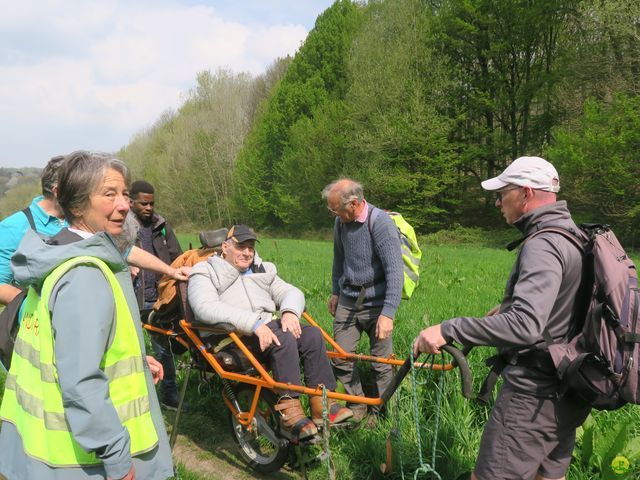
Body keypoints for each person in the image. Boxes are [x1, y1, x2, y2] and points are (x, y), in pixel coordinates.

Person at [413, 156, 591, 480]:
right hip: (569, 392)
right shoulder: (574, 236)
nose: (497, 201)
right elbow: (562, 309)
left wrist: (449, 329)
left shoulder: (543, 243)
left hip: (532, 396)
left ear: (525, 193)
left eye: (502, 193)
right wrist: (508, 309)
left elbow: (526, 325)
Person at [0, 150, 174, 480]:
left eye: (124, 194)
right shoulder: (84, 272)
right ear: (77, 206)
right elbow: (80, 382)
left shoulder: (55, 253)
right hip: (86, 464)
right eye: (109, 194)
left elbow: (65, 350)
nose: (124, 205)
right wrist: (117, 458)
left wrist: (135, 363)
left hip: (42, 455)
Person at [188, 225, 353, 440]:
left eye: (250, 247)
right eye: (240, 247)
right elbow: (204, 307)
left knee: (312, 334)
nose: (247, 252)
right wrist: (254, 324)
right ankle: (289, 413)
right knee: (282, 336)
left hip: (266, 332)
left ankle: (324, 406)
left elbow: (291, 291)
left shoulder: (261, 269)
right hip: (231, 339)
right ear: (225, 247)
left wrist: (290, 312)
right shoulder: (205, 271)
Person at [321, 179, 403, 421]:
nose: (333, 214)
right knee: (342, 358)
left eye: (335, 209)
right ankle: (358, 406)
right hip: (348, 300)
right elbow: (339, 259)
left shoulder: (380, 223)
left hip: (377, 304)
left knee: (381, 364)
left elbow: (394, 272)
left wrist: (388, 314)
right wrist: (336, 291)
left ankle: (385, 413)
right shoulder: (340, 223)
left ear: (354, 203)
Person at [129, 180, 183, 409]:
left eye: (152, 203)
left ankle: (168, 394)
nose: (149, 208)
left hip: (159, 299)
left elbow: (177, 256)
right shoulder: (122, 228)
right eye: (144, 203)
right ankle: (135, 397)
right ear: (131, 202)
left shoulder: (161, 226)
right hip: (133, 297)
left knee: (164, 348)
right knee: (132, 348)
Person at [0, 156, 67, 305]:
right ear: (59, 191)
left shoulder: (82, 220)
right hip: (38, 323)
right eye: (77, 187)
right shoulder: (13, 227)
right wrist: (35, 305)